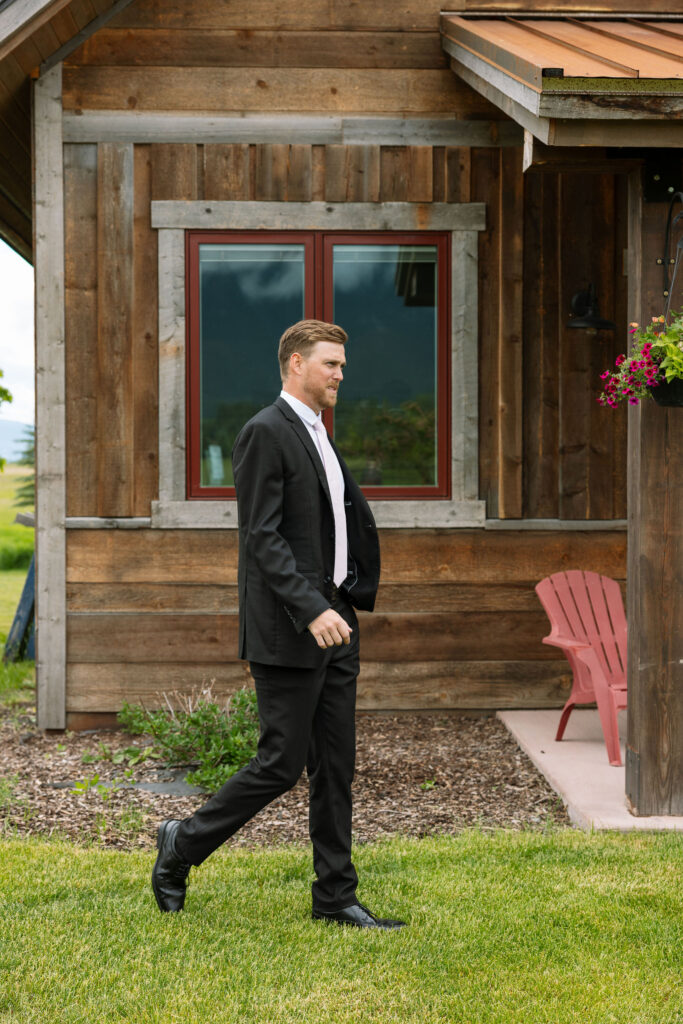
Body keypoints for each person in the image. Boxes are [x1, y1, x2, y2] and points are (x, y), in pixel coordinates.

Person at [152, 319, 406, 930]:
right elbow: (260, 538)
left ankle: (334, 897)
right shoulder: (266, 431)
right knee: (280, 763)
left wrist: (338, 603)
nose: (341, 374)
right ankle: (181, 845)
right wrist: (311, 607)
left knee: (335, 765)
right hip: (292, 624)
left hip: (336, 619)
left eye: (342, 364)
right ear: (295, 364)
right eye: (331, 364)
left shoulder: (319, 432)